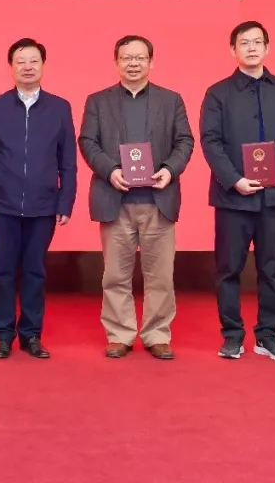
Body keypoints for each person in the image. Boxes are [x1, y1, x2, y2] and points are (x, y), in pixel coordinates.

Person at [78, 35, 195, 360]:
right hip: (115, 200)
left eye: (140, 58)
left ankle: (157, 334)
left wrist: (170, 170)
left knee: (161, 276)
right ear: (116, 62)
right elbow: (87, 141)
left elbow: (185, 141)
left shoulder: (171, 100)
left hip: (158, 200)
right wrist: (110, 170)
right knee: (115, 275)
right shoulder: (98, 101)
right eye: (127, 58)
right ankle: (120, 334)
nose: (133, 63)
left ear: (151, 62)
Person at [200, 21, 275, 361]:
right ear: (232, 49)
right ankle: (232, 335)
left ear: (267, 48)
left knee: (272, 269)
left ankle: (268, 336)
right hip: (233, 197)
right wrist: (234, 179)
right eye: (244, 42)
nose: (251, 48)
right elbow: (210, 142)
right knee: (228, 269)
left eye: (257, 42)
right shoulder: (218, 93)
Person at [0, 38, 76, 359]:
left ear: (43, 65)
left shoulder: (60, 107)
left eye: (34, 61)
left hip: (43, 206)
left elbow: (68, 161)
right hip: (2, 206)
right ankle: (3, 335)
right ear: (11, 67)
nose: (27, 67)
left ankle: (31, 335)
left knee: (35, 272)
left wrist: (65, 202)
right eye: (21, 61)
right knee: (2, 272)